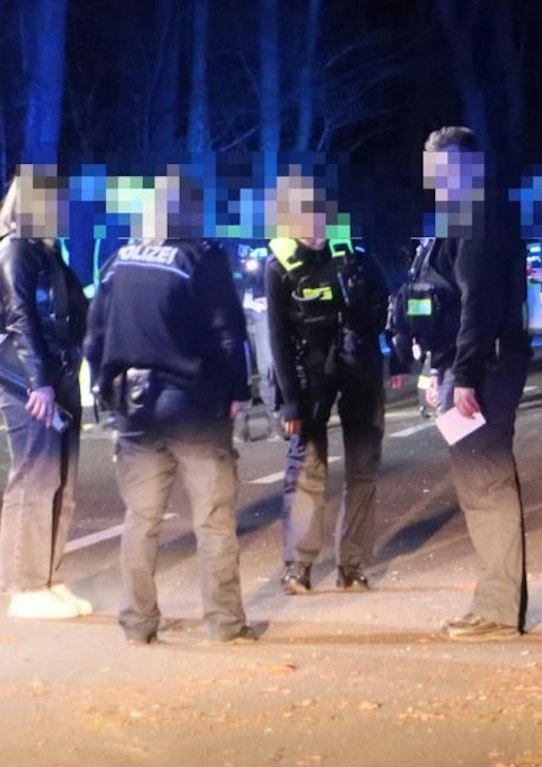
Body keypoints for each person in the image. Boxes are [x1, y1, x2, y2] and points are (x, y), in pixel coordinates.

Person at [85, 169, 255, 645]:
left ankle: (138, 624)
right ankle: (225, 623)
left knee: (141, 520)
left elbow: (95, 336)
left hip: (134, 407)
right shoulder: (202, 258)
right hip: (195, 406)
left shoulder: (118, 262)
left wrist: (105, 389)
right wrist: (239, 391)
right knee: (214, 518)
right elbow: (228, 333)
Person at [403, 126, 530, 640]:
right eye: (431, 168)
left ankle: (499, 610)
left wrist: (467, 376)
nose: (436, 178)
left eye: (446, 168)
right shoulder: (456, 219)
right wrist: (440, 368)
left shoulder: (478, 218)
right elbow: (444, 302)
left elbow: (478, 304)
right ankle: (493, 602)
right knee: (477, 484)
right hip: (463, 368)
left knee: (487, 483)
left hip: (485, 369)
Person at [264, 168, 409, 595]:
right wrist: (290, 399)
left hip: (359, 369)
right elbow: (276, 335)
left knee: (363, 468)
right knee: (307, 470)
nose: (313, 230)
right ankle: (299, 566)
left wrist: (395, 353)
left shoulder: (358, 258)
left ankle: (353, 564)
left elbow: (388, 312)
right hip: (309, 377)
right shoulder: (279, 267)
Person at [0, 168, 91, 620]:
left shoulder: (48, 254)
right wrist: (37, 381)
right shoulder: (16, 250)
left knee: (62, 483)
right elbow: (20, 320)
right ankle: (24, 585)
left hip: (60, 375)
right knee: (34, 480)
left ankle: (50, 578)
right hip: (30, 382)